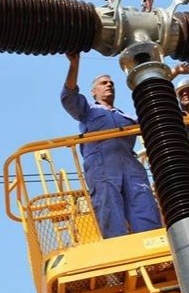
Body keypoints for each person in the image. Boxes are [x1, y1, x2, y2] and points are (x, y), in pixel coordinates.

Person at [60, 52, 162, 239]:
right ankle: (118, 245)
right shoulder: (88, 111)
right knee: (108, 203)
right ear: (94, 92)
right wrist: (74, 64)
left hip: (130, 165)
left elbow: (151, 118)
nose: (109, 85)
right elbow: (69, 97)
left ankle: (153, 242)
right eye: (104, 83)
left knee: (143, 199)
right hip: (102, 165)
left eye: (111, 83)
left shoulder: (126, 117)